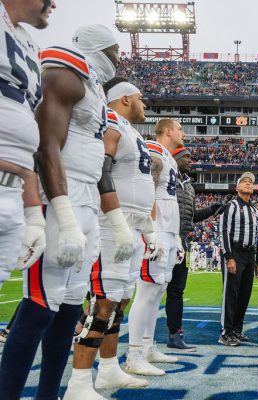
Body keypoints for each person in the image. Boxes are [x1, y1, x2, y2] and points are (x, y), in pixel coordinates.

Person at [0, 24, 122, 400]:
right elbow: (46, 144)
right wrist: (62, 214)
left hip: (85, 198)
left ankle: (49, 394)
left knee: (70, 307)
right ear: (98, 47)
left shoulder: (96, 88)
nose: (119, 58)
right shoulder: (67, 68)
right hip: (60, 198)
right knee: (40, 305)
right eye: (115, 50)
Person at [65, 77, 155, 397]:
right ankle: (78, 382)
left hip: (131, 224)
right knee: (103, 303)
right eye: (140, 98)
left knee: (118, 301)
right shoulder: (112, 120)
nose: (145, 105)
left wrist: (148, 228)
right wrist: (117, 222)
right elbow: (102, 169)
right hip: (113, 225)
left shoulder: (132, 132)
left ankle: (109, 369)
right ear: (126, 99)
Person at [0, 0, 55, 290]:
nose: (54, 4)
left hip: (13, 191)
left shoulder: (31, 45)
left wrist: (33, 212)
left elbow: (28, 140)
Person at [125, 118, 183, 376]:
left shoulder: (169, 157)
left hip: (169, 229)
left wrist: (177, 236)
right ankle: (134, 353)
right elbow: (148, 187)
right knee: (147, 290)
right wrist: (151, 230)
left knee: (159, 289)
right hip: (157, 228)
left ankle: (148, 346)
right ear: (168, 131)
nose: (183, 133)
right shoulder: (155, 151)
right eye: (180, 129)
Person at [166, 146, 226, 351]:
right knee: (153, 289)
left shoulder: (189, 186)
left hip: (181, 242)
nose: (191, 161)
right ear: (176, 158)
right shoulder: (166, 177)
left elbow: (191, 217)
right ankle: (144, 339)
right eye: (187, 158)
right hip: (163, 239)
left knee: (176, 291)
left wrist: (212, 209)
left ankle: (175, 335)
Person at [218, 172, 258, 346]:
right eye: (244, 182)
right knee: (231, 293)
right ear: (237, 188)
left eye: (250, 183)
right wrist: (228, 257)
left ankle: (237, 329)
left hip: (249, 255)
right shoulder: (231, 206)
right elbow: (224, 231)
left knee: (244, 294)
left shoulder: (254, 210)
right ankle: (226, 332)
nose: (247, 184)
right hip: (235, 252)